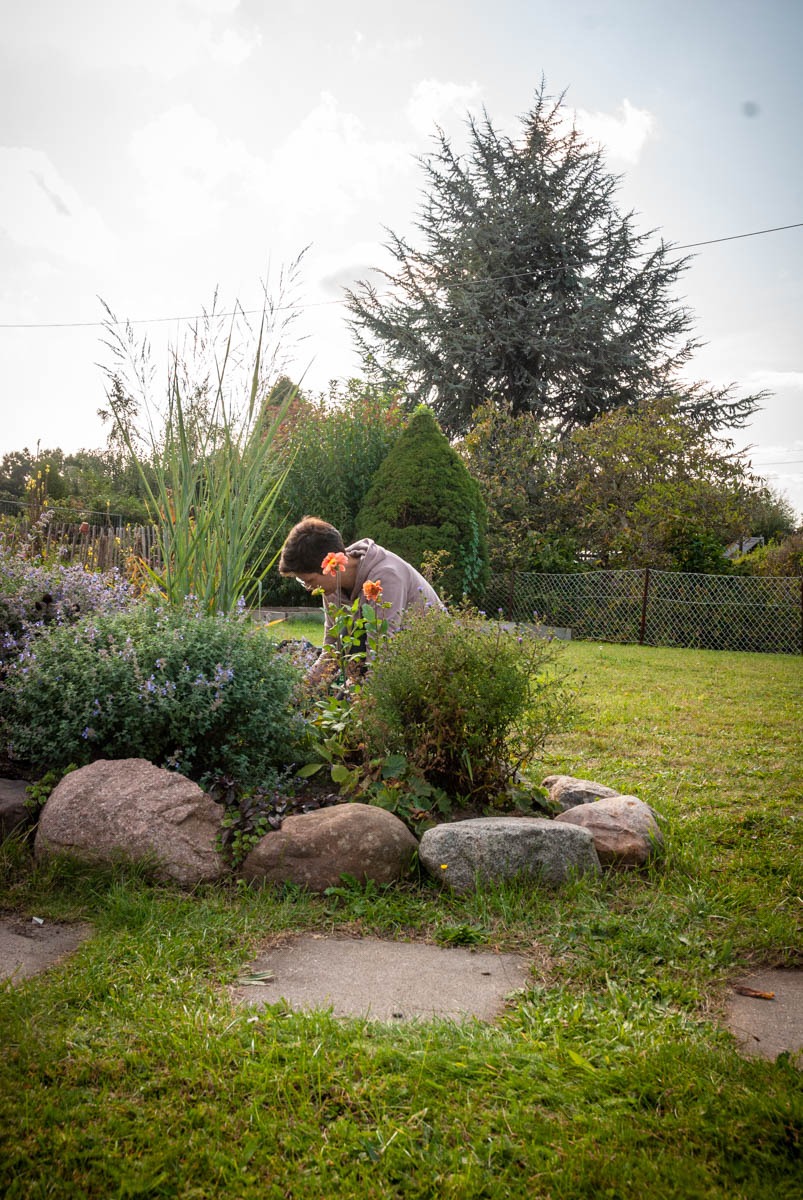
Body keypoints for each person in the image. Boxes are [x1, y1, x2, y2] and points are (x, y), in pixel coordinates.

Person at [278, 516, 444, 684]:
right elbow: (331, 649)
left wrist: (359, 703)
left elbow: (381, 655)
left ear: (329, 567)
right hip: (387, 660)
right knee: (346, 638)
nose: (308, 587)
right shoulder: (332, 587)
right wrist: (300, 691)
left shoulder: (386, 576)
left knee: (356, 641)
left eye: (309, 580)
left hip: (429, 665)